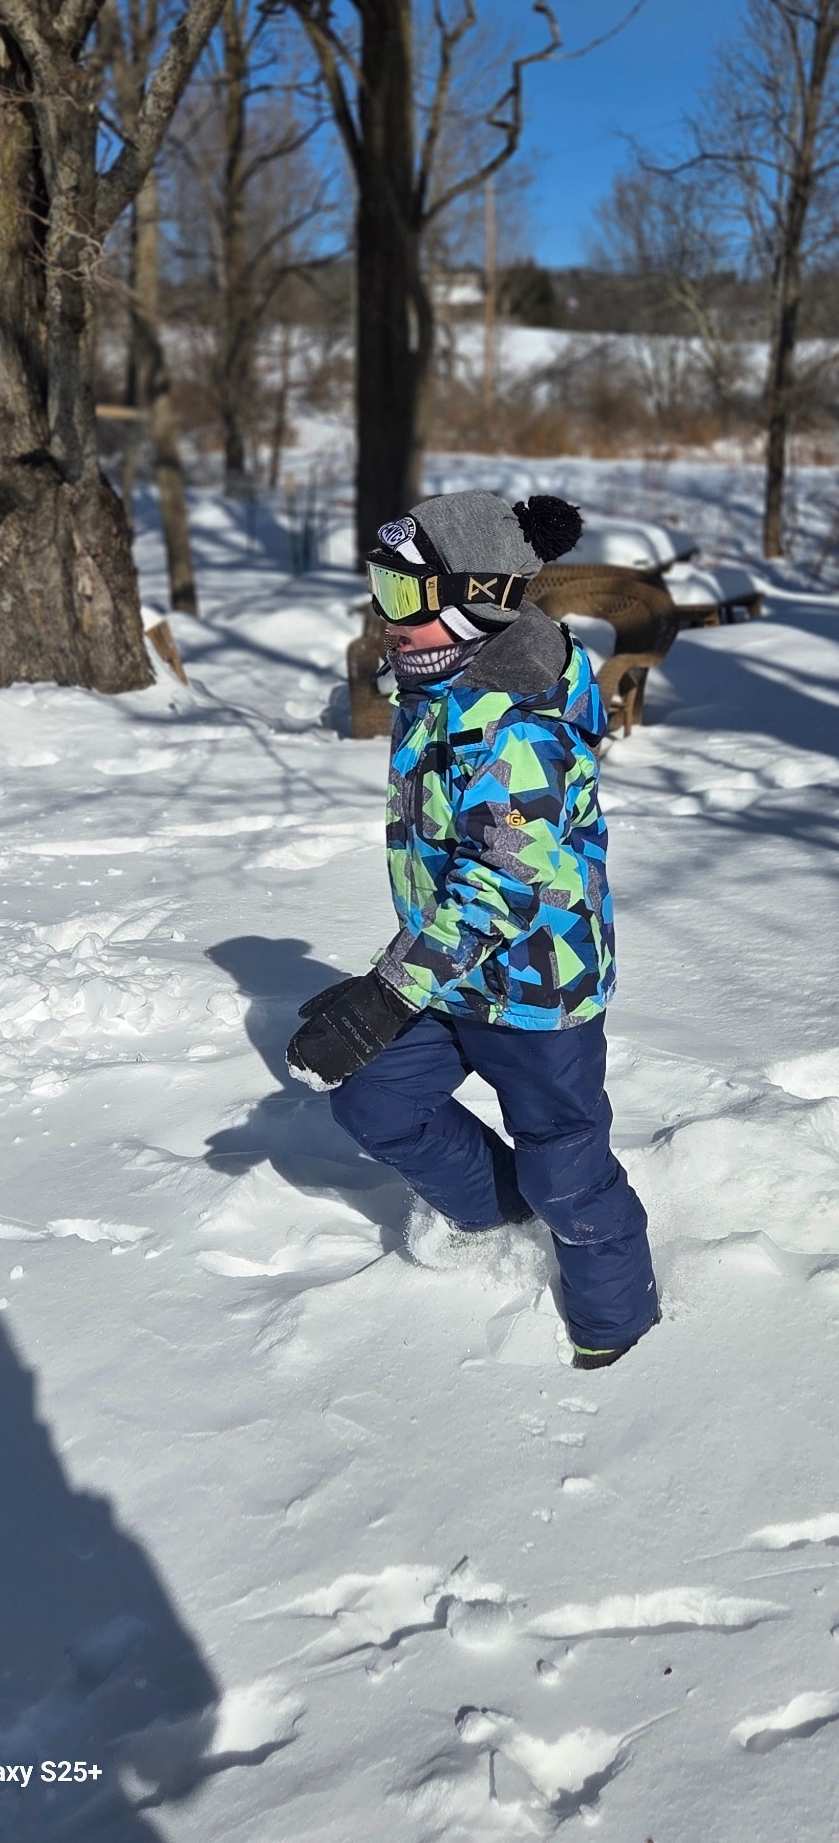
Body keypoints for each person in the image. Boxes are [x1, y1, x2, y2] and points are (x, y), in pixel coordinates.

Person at [286, 490, 658, 1370]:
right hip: (455, 977)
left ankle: (617, 1318)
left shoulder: (520, 730)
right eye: (382, 589)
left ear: (479, 599)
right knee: (375, 1100)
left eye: (406, 595)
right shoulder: (440, 688)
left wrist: (386, 995)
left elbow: (503, 887)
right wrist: (397, 983)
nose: (387, 617)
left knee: (565, 1167)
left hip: (538, 994)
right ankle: (499, 1214)